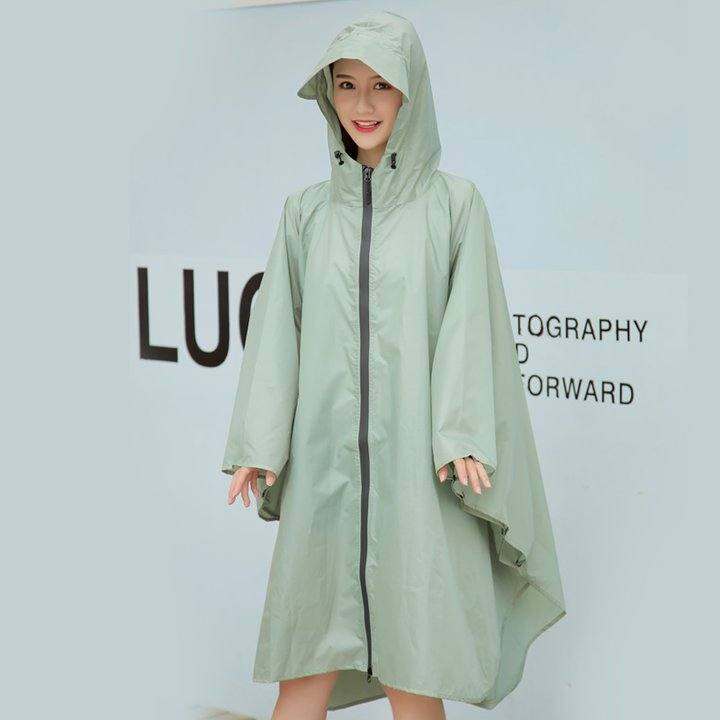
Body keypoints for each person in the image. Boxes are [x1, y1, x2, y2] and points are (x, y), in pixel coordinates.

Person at [222, 10, 566, 720]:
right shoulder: (305, 214)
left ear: (413, 91)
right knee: (302, 669)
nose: (364, 104)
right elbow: (276, 336)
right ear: (329, 94)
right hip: (324, 477)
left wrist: (462, 432)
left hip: (417, 476)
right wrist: (260, 443)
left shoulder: (454, 207)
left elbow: (472, 328)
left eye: (382, 84)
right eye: (347, 84)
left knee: (415, 669)